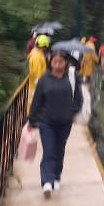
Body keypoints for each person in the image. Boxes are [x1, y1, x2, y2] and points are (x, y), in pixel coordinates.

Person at [27, 48, 83, 197]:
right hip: (47, 123)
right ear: (50, 62)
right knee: (49, 151)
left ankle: (56, 176)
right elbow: (36, 102)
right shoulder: (44, 80)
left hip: (65, 122)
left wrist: (72, 112)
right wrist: (32, 120)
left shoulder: (71, 78)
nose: (57, 64)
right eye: (54, 61)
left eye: (61, 62)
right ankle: (47, 181)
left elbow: (79, 98)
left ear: (65, 63)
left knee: (59, 150)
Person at [26, 34, 49, 110]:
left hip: (34, 90)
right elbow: (38, 78)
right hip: (36, 93)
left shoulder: (36, 53)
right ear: (44, 46)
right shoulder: (37, 57)